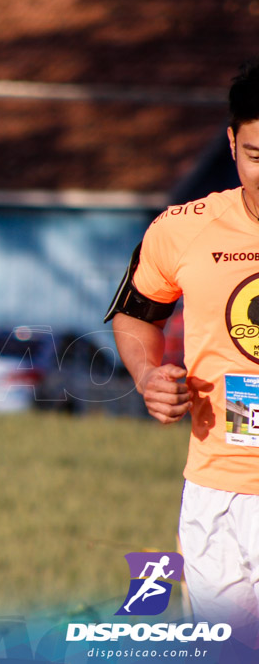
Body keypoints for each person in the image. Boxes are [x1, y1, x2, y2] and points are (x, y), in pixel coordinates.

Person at [107, 59, 259, 644]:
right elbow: (135, 313)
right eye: (255, 156)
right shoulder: (181, 228)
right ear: (231, 143)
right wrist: (148, 374)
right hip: (215, 495)